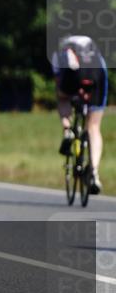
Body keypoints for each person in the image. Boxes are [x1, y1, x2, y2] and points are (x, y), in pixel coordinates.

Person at [53, 35, 107, 194]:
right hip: (96, 71)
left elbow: (59, 81)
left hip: (71, 71)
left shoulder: (60, 49)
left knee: (62, 97)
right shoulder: (93, 47)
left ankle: (67, 129)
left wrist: (68, 94)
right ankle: (94, 172)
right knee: (94, 126)